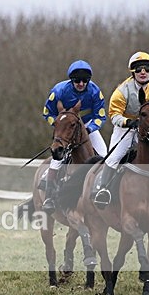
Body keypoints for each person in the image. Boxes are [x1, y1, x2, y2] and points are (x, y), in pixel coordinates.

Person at [92, 51, 149, 211]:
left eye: (146, 69)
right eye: (139, 69)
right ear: (133, 72)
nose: (143, 72)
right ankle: (103, 190)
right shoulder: (122, 91)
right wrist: (129, 122)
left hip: (147, 128)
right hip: (126, 128)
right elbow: (114, 115)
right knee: (114, 157)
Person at [40, 60, 108, 213]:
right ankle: (49, 197)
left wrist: (89, 128)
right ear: (72, 80)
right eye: (77, 81)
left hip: (87, 126)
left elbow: (100, 116)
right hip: (65, 126)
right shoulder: (58, 91)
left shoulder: (95, 91)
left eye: (85, 80)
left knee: (105, 155)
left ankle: (102, 191)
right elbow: (47, 113)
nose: (81, 84)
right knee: (57, 158)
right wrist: (60, 127)